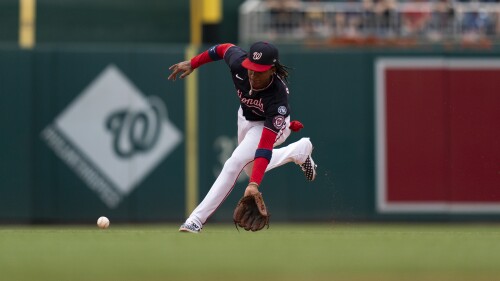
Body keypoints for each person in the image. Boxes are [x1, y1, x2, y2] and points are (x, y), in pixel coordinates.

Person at [168, 41, 317, 233]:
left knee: (234, 163)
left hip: (271, 126)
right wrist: (194, 62)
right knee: (249, 168)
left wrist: (254, 185)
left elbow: (264, 147)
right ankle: (299, 150)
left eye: (259, 71)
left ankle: (195, 220)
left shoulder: (278, 98)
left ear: (272, 69)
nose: (253, 75)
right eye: (251, 69)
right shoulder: (238, 63)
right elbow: (222, 49)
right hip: (246, 117)